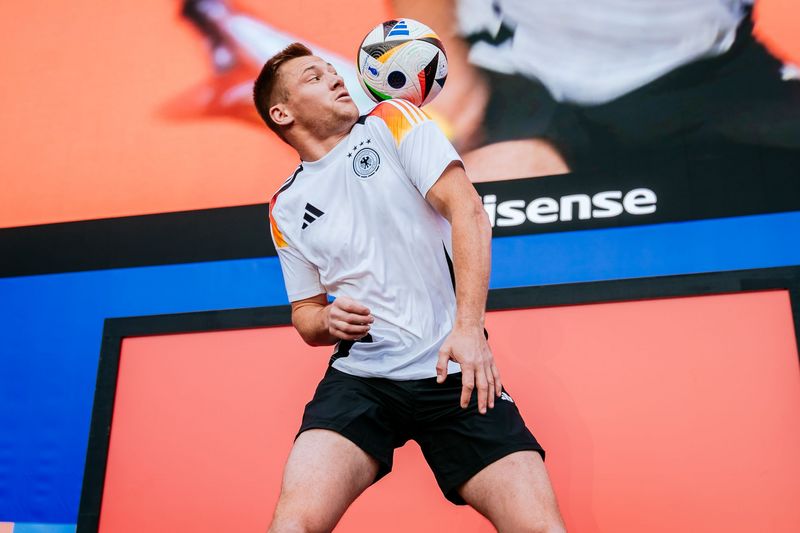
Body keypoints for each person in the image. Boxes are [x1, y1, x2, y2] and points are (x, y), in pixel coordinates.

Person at [253, 42, 566, 532]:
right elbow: (305, 316)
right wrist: (327, 319)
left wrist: (469, 329)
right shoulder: (285, 206)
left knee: (542, 529)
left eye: (332, 69)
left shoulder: (392, 120)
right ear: (282, 113)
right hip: (362, 382)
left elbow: (468, 212)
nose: (336, 77)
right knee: (292, 526)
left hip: (454, 373)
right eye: (314, 76)